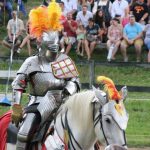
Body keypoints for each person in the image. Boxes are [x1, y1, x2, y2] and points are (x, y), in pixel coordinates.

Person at [11, 3, 80, 150]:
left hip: (64, 103)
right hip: (37, 104)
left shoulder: (63, 60)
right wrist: (16, 107)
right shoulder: (31, 62)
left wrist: (68, 90)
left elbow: (75, 81)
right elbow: (18, 84)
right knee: (24, 132)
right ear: (41, 44)